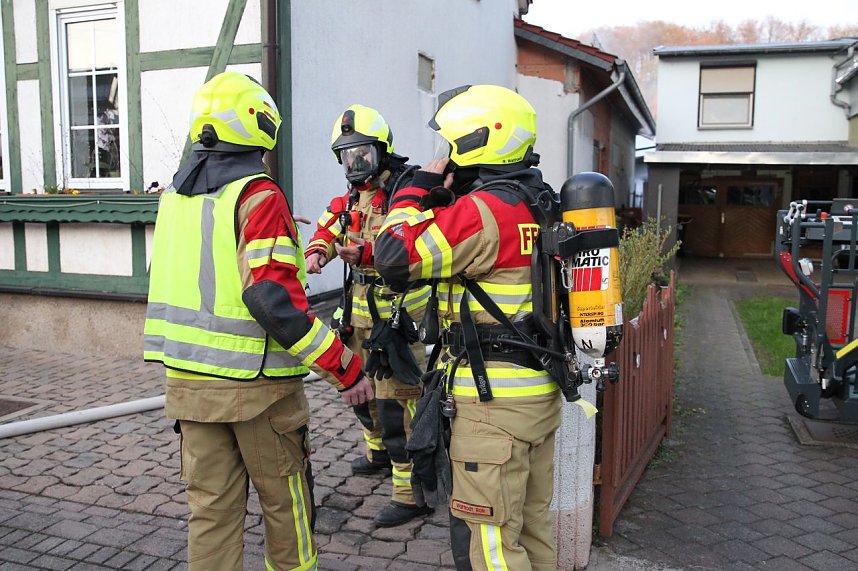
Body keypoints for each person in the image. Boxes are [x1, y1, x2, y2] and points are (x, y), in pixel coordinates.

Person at [143, 71, 373, 571]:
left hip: (189, 386)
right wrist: (345, 368)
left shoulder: (174, 200)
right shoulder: (258, 194)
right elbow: (272, 303)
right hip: (258, 391)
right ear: (258, 124)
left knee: (210, 513)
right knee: (285, 508)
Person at [375, 85, 562, 570]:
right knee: (534, 533)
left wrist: (414, 190)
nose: (446, 158)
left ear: (481, 140)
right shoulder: (537, 204)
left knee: (493, 545)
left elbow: (394, 257)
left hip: (491, 408)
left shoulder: (483, 212)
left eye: (451, 145)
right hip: (537, 390)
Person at [304, 104, 433, 527]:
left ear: (382, 153)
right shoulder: (346, 203)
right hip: (357, 319)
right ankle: (376, 452)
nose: (354, 164)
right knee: (360, 394)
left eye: (362, 154)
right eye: (346, 155)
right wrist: (318, 253)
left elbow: (413, 251)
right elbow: (324, 229)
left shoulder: (406, 198)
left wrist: (368, 254)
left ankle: (409, 494)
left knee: (399, 409)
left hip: (398, 323)